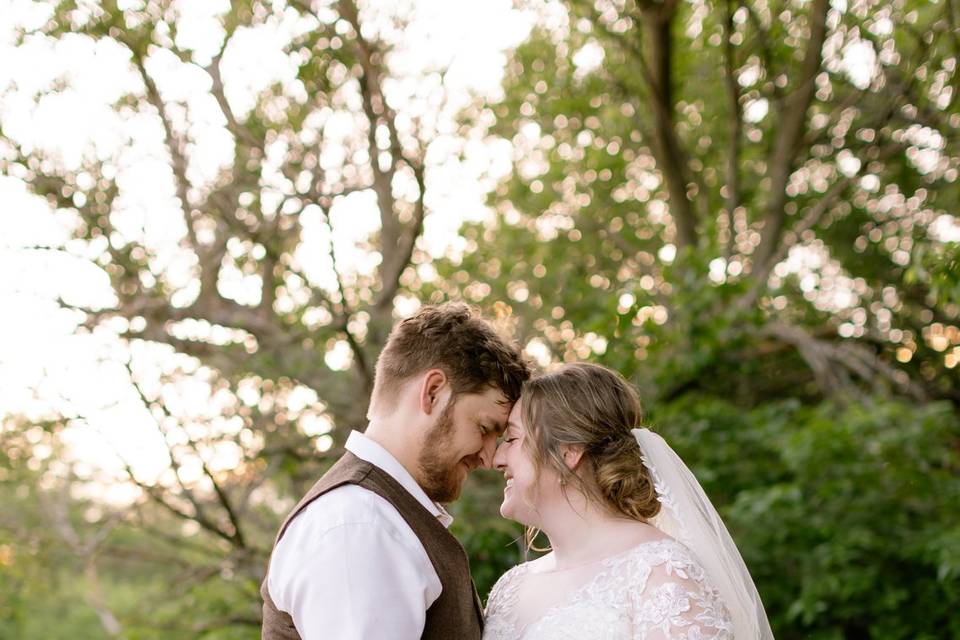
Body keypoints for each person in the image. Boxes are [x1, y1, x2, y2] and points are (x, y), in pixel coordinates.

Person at [261, 302, 531, 640]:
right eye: (484, 427)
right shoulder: (360, 525)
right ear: (433, 392)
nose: (490, 457)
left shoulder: (381, 517)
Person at [484, 363, 773, 640]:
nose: (496, 459)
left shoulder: (660, 573)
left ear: (568, 452)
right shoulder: (510, 588)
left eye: (511, 439)